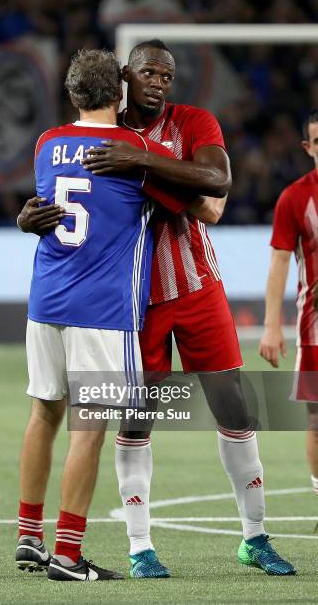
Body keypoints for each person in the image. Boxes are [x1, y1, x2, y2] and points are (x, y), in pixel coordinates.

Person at [18, 40, 295, 577]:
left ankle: (255, 537)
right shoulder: (105, 137)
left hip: (195, 286)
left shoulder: (190, 123)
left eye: (167, 75)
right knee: (136, 419)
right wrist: (29, 217)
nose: (159, 83)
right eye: (148, 72)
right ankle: (140, 547)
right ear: (124, 77)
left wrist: (143, 161)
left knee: (234, 410)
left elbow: (216, 196)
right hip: (132, 303)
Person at [16, 47, 190, 582]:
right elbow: (198, 200)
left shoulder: (48, 143)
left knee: (44, 412)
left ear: (71, 95)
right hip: (102, 308)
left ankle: (29, 535)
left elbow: (49, 201)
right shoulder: (135, 146)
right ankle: (68, 554)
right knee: (88, 429)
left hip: (46, 300)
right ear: (119, 94)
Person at [260, 109, 318, 502]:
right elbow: (280, 262)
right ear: (308, 147)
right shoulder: (295, 197)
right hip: (315, 329)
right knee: (316, 421)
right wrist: (271, 325)